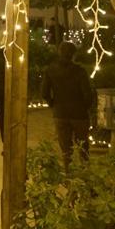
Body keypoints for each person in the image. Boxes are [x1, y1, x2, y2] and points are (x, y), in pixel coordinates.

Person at [41, 41, 94, 170]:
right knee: (83, 147)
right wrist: (86, 106)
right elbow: (87, 94)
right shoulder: (80, 71)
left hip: (60, 113)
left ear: (59, 52)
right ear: (73, 54)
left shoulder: (50, 70)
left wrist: (53, 104)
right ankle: (85, 172)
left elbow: (44, 92)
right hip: (79, 113)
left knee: (65, 148)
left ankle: (68, 172)